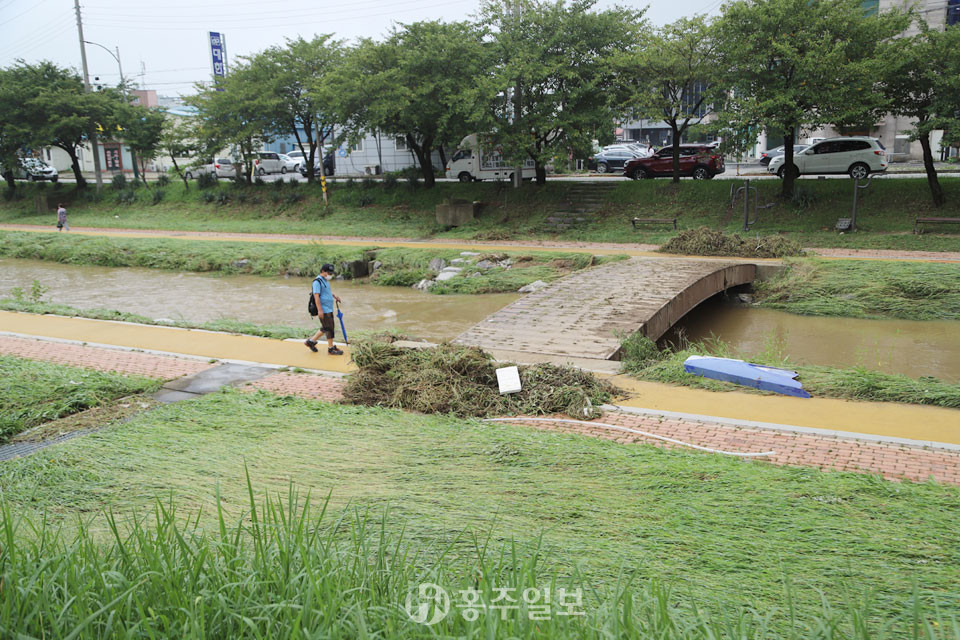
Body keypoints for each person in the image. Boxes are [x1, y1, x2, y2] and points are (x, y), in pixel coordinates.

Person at [305, 263, 343, 355]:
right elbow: (316, 296)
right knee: (329, 328)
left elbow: (327, 291)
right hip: (324, 309)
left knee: (326, 327)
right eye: (328, 272)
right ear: (323, 271)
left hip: (329, 308)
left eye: (331, 273)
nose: (330, 274)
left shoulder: (325, 280)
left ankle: (311, 342)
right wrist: (320, 310)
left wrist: (335, 296)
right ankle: (331, 348)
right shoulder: (317, 282)